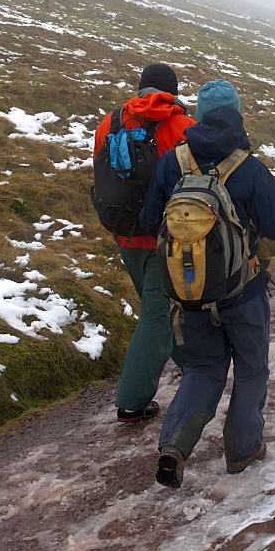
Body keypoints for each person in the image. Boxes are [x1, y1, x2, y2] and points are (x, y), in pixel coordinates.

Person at [140, 79, 275, 488]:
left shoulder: (172, 162)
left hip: (188, 292)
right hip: (242, 291)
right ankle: (243, 450)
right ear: (236, 113)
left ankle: (174, 444)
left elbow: (147, 220)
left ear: (199, 113)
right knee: (250, 368)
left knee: (203, 368)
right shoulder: (248, 166)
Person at [93, 64, 195, 422]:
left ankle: (192, 365)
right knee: (157, 315)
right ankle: (132, 402)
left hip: (124, 233)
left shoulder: (110, 122)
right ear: (172, 90)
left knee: (160, 309)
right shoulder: (183, 126)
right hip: (165, 236)